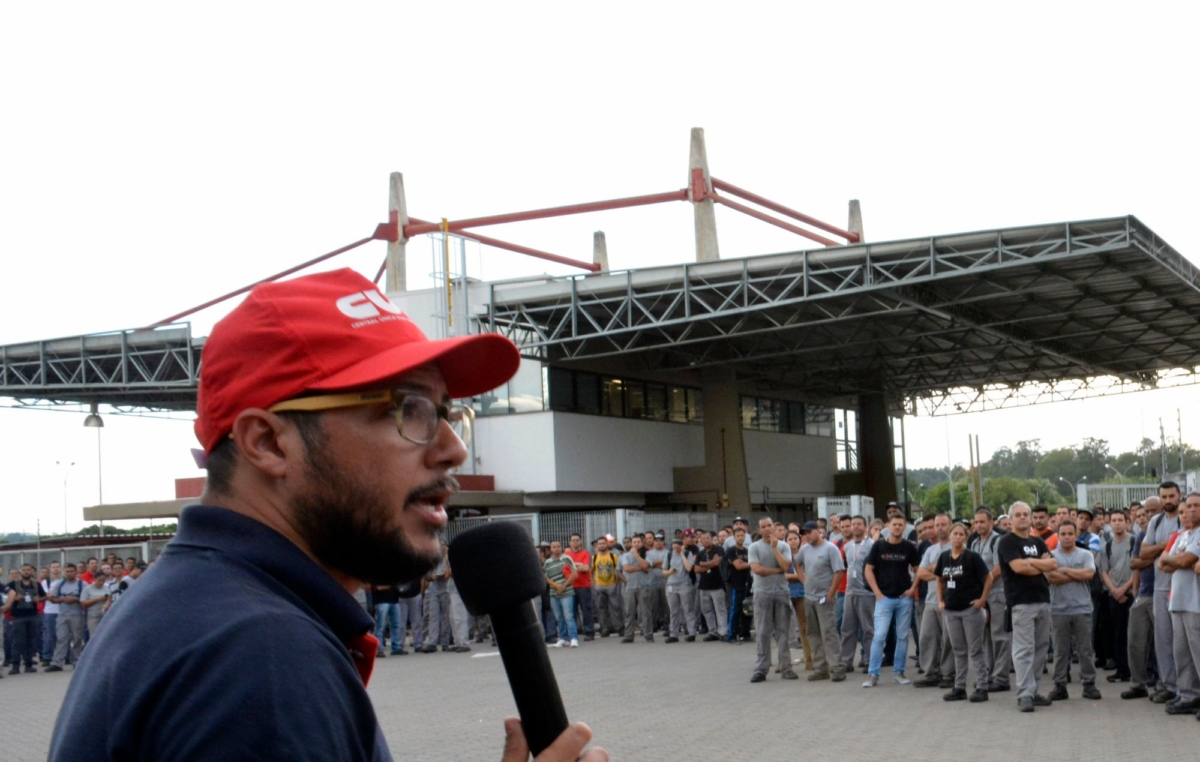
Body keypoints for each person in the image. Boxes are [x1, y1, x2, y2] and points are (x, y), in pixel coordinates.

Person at [47, 270, 604, 761]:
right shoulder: (257, 658)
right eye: (407, 409)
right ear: (267, 442)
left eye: (447, 412)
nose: (453, 448)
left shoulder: (194, 607)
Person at [997, 501, 1057, 712]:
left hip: (1042, 600)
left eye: (1025, 514)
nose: (1022, 517)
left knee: (1041, 649)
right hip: (1021, 602)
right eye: (1018, 515)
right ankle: (1024, 695)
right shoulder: (1006, 542)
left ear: (1030, 518)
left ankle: (1034, 690)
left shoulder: (1037, 541)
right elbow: (1019, 567)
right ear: (1011, 519)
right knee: (1023, 650)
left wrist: (1032, 564)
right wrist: (1038, 564)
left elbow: (1052, 565)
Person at [935, 523, 993, 702]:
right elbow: (939, 579)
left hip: (970, 609)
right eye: (955, 533)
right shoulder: (944, 557)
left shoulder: (972, 557)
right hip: (951, 610)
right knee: (958, 650)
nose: (958, 537)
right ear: (950, 536)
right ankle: (959, 687)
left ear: (966, 537)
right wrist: (940, 600)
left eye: (961, 534)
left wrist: (982, 600)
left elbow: (988, 578)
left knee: (976, 650)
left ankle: (982, 687)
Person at [1046, 520, 1102, 701]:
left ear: (1075, 535)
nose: (1067, 537)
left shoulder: (1085, 554)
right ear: (1058, 536)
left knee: (1085, 649)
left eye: (1070, 534)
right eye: (1063, 534)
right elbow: (1050, 577)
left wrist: (1063, 571)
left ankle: (1089, 684)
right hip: (1058, 609)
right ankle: (1060, 685)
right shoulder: (1050, 555)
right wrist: (1075, 574)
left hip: (1082, 608)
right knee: (1061, 650)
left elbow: (1089, 574)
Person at [863, 514, 921, 688]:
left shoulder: (909, 548)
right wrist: (877, 593)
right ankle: (873, 674)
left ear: (904, 527)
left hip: (904, 599)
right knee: (879, 636)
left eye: (900, 525)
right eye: (894, 525)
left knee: (903, 637)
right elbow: (868, 570)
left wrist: (912, 589)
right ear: (888, 527)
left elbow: (919, 570)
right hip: (884, 599)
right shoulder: (879, 546)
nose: (897, 528)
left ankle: (899, 672)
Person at [1157, 491, 1200, 715]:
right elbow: (1162, 565)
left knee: (1198, 653)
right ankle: (1188, 695)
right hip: (1178, 601)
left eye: (1196, 506)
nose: (1191, 510)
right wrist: (1176, 560)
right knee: (1181, 653)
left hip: (1196, 603)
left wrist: (1174, 559)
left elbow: (1180, 560)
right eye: (1188, 506)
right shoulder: (1183, 535)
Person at [1141, 481, 1183, 705]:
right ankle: (1169, 685)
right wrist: (1169, 544)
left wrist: (1160, 550)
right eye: (1164, 497)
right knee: (1163, 640)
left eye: (1171, 496)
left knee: (1183, 642)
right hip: (1159, 587)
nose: (1168, 501)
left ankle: (1187, 688)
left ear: (1179, 496)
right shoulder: (1156, 521)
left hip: (1181, 588)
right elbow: (1143, 552)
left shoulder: (1184, 518)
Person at [748, 517, 797, 682]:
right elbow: (757, 569)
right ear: (759, 530)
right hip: (762, 593)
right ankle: (761, 668)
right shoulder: (754, 547)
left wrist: (775, 548)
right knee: (762, 632)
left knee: (783, 631)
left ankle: (786, 667)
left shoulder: (784, 546)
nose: (767, 529)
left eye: (770, 525)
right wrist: (777, 570)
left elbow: (786, 566)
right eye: (764, 526)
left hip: (781, 592)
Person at [798, 520, 846, 682]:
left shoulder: (830, 549)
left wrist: (831, 593)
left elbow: (839, 571)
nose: (806, 536)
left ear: (818, 531)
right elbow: (797, 563)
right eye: (804, 533)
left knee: (829, 633)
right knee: (813, 633)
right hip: (809, 597)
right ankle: (821, 667)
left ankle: (837, 667)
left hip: (825, 598)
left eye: (809, 532)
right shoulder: (805, 550)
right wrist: (802, 579)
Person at [971, 508, 1011, 692]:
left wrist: (983, 584)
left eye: (982, 522)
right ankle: (989, 673)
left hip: (997, 594)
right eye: (976, 522)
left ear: (991, 522)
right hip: (982, 595)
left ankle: (1001, 677)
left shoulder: (998, 540)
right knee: (985, 636)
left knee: (999, 635)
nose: (979, 525)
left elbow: (998, 569)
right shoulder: (974, 543)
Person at [914, 514, 955, 689]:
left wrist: (934, 569)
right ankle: (930, 672)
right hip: (930, 601)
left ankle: (948, 674)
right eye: (936, 525)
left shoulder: (959, 547)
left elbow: (959, 572)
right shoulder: (931, 550)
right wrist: (940, 574)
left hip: (951, 600)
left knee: (949, 639)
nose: (939, 528)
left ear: (950, 525)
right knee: (927, 636)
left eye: (943, 524)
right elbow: (920, 573)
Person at [1124, 496, 1158, 699]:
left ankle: (1166, 684)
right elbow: (1133, 564)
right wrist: (1135, 590)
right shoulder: (1141, 537)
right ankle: (1138, 684)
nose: (1146, 517)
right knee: (1135, 641)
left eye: (1151, 512)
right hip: (1143, 594)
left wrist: (1146, 557)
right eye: (1143, 513)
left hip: (1162, 595)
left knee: (1163, 645)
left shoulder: (1171, 532)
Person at [1098, 509, 1136, 684]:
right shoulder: (1106, 546)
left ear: (1127, 522)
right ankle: (1122, 671)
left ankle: (1135, 671)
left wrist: (1124, 589)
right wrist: (1114, 590)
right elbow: (1103, 570)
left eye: (1121, 520)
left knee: (1133, 634)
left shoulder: (1134, 541)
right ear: (1110, 523)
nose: (1117, 523)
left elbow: (1137, 568)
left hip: (1131, 594)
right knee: (1117, 633)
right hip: (1114, 595)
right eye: (1114, 520)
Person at [839, 516, 874, 675]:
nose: (855, 527)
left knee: (868, 629)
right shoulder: (847, 546)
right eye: (853, 524)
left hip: (866, 592)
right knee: (847, 628)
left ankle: (869, 660)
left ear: (865, 527)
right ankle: (846, 661)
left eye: (859, 524)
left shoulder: (872, 545)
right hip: (850, 592)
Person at [46, 563, 85, 673]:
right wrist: (63, 599)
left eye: (71, 571)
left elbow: (86, 600)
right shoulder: (60, 584)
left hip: (77, 615)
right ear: (64, 572)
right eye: (67, 571)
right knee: (61, 639)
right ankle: (57, 662)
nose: (69, 573)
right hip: (62, 615)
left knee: (77, 639)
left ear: (75, 572)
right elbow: (53, 599)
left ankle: (77, 661)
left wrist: (75, 599)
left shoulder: (82, 584)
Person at [5, 563, 44, 674]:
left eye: (28, 570)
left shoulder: (36, 584)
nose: (26, 572)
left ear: (32, 571)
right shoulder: (13, 584)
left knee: (30, 641)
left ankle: (28, 664)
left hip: (32, 616)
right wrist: (14, 598)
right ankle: (15, 665)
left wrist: (38, 599)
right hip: (18, 617)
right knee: (18, 641)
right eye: (24, 570)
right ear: (20, 571)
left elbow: (45, 595)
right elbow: (4, 595)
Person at [544, 540, 579, 648]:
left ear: (561, 547)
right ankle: (563, 638)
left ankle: (573, 638)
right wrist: (556, 585)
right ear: (550, 549)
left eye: (558, 546)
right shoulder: (547, 562)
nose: (556, 548)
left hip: (567, 592)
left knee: (569, 616)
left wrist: (564, 585)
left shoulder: (567, 558)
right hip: (554, 594)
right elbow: (546, 577)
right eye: (554, 547)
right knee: (559, 617)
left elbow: (574, 573)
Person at [663, 538, 698, 643]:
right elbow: (664, 571)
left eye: (677, 547)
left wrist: (682, 554)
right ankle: (673, 633)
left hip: (684, 584)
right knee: (673, 610)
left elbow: (688, 568)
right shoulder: (669, 555)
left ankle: (692, 632)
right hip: (671, 584)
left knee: (687, 609)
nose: (676, 549)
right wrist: (669, 571)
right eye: (674, 547)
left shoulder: (688, 554)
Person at [620, 535, 652, 643]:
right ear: (631, 543)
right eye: (634, 542)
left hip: (643, 586)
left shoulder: (647, 554)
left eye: (638, 542)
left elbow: (647, 566)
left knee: (645, 612)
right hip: (630, 587)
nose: (636, 544)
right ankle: (629, 635)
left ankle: (648, 634)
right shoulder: (626, 556)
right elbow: (626, 568)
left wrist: (636, 555)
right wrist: (641, 568)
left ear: (642, 543)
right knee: (629, 611)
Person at [565, 533, 595, 642]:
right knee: (571, 611)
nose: (575, 542)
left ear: (581, 541)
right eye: (573, 540)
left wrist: (573, 566)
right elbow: (565, 569)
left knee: (586, 610)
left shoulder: (585, 553)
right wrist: (578, 565)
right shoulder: (566, 554)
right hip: (570, 586)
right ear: (569, 542)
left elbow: (586, 568)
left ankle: (589, 632)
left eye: (577, 540)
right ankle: (574, 632)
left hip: (583, 586)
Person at [590, 536, 622, 637]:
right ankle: (604, 628)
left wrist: (616, 582)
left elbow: (618, 571)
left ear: (607, 544)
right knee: (601, 609)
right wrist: (594, 584)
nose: (602, 545)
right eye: (599, 544)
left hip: (612, 585)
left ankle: (619, 627)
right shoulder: (594, 558)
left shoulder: (613, 556)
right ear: (597, 545)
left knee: (615, 608)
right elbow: (590, 572)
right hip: (599, 586)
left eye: (603, 543)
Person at [726, 527, 752, 643]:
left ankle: (745, 633)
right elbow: (738, 566)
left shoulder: (747, 551)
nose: (740, 538)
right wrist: (750, 564)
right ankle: (731, 635)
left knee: (747, 609)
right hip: (736, 584)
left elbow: (748, 564)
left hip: (748, 584)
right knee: (736, 609)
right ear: (734, 537)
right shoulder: (732, 551)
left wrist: (745, 563)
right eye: (738, 536)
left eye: (742, 535)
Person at [372, 583, 405, 657]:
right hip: (381, 600)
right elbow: (379, 587)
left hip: (394, 599)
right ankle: (379, 649)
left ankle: (396, 647)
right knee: (380, 626)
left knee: (396, 625)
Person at [40, 560, 62, 665]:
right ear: (50, 569)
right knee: (49, 635)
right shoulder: (46, 582)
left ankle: (64, 655)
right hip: (50, 612)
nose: (56, 569)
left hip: (62, 611)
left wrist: (54, 596)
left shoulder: (64, 581)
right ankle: (47, 656)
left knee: (63, 635)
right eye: (53, 567)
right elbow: (47, 596)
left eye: (57, 567)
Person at [80, 570, 111, 641]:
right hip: (93, 616)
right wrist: (97, 599)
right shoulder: (87, 589)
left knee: (105, 637)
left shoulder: (106, 588)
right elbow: (83, 603)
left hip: (104, 615)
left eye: (103, 580)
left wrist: (107, 604)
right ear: (94, 579)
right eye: (99, 580)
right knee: (94, 637)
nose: (101, 582)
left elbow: (109, 598)